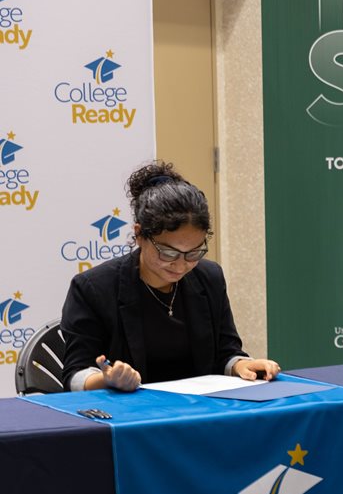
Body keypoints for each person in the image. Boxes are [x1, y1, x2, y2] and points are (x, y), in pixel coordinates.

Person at [61, 160, 281, 391]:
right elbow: (75, 375)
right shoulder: (94, 287)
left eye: (194, 252)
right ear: (139, 234)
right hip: (130, 415)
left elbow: (225, 352)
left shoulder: (209, 277)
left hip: (198, 410)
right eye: (168, 252)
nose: (180, 265)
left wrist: (242, 364)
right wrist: (107, 379)